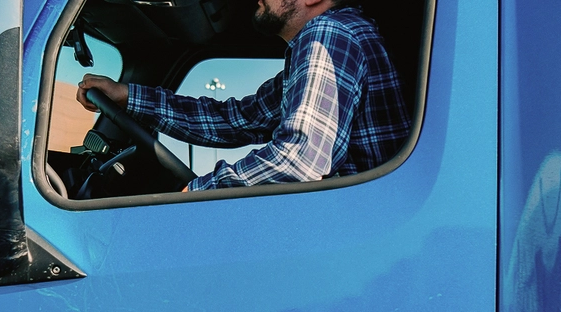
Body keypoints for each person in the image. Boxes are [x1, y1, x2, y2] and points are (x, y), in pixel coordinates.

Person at [76, 0, 410, 191]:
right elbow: (235, 120)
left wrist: (194, 195)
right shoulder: (331, 41)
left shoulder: (329, 33)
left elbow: (299, 160)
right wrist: (127, 96)